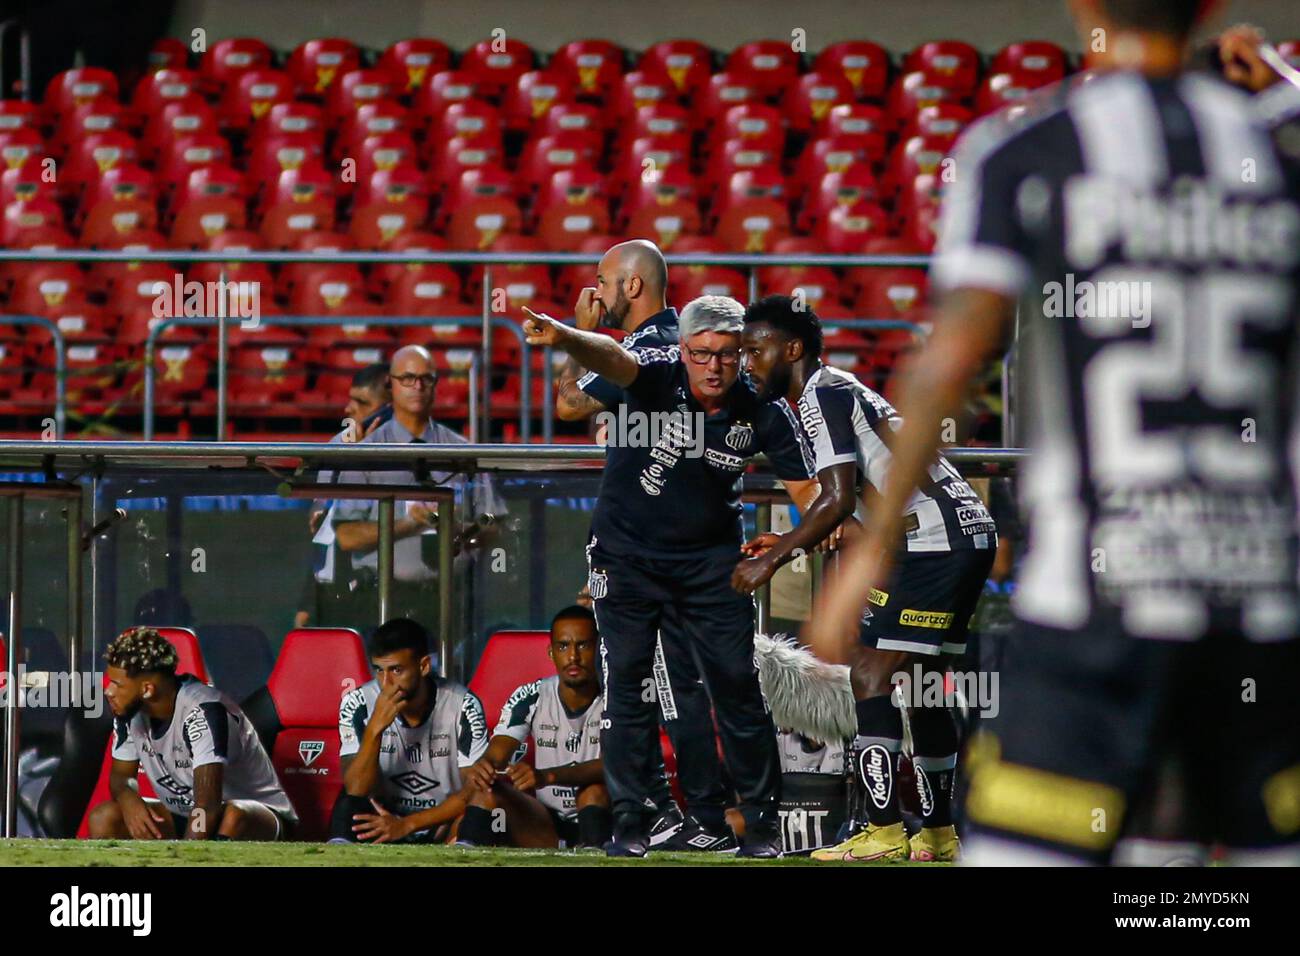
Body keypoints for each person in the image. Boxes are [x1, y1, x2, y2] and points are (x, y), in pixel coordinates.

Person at [804, 0, 1300, 866]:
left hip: (1094, 597)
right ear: (1215, 9)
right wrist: (1289, 89)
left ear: (1083, 7)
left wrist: (874, 550)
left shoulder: (1024, 148)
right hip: (1255, 594)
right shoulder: (1272, 148)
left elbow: (948, 357)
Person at [523, 294, 821, 858]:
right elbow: (612, 359)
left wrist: (781, 548)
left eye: (728, 355)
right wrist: (565, 337)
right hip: (626, 558)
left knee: (737, 688)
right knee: (628, 690)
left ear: (743, 355)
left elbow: (811, 495)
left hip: (711, 565)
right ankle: (630, 824)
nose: (715, 367)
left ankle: (760, 827)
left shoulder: (762, 404)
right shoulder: (654, 370)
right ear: (683, 350)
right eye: (703, 354)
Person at [733, 295, 996, 862]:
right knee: (922, 686)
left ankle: (881, 829)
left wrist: (770, 561)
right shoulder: (832, 391)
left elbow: (835, 499)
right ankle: (939, 834)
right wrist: (787, 540)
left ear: (793, 349)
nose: (745, 363)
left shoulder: (821, 394)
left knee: (870, 673)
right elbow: (859, 504)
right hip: (948, 534)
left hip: (934, 541)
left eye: (755, 350)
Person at [553, 238, 733, 851]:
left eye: (602, 282)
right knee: (686, 687)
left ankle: (646, 813)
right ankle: (705, 819)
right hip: (690, 544)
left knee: (626, 684)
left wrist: (575, 337)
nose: (596, 293)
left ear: (631, 287)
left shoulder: (637, 348)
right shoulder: (689, 348)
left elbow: (569, 402)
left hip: (637, 547)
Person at [333, 346, 504, 635]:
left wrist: (461, 530)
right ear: (391, 383)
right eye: (408, 378)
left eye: (426, 379)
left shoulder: (463, 451)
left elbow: (495, 525)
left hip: (451, 600)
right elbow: (346, 537)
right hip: (380, 602)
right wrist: (407, 525)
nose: (418, 386)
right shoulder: (366, 454)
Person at [87, 627, 297, 841]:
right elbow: (121, 777)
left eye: (117, 684)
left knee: (234, 815)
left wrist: (188, 854)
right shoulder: (129, 713)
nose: (108, 691)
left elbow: (207, 804)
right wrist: (129, 800)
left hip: (258, 816)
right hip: (190, 815)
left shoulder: (203, 711)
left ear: (147, 689)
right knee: (104, 817)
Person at [332, 618, 515, 844]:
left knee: (487, 799)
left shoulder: (463, 704)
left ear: (424, 666)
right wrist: (375, 730)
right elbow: (356, 788)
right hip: (383, 819)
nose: (386, 683)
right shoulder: (358, 702)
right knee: (348, 801)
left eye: (397, 670)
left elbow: (474, 789)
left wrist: (407, 825)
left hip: (441, 821)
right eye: (379, 671)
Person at [461, 605, 611, 848]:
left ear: (599, 650)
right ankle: (463, 856)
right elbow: (497, 753)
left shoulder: (618, 697)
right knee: (486, 791)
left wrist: (547, 776)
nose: (573, 657)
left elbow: (616, 765)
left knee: (593, 791)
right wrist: (486, 767)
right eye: (563, 646)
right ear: (551, 653)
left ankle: (593, 854)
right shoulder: (531, 695)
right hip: (546, 822)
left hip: (606, 816)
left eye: (583, 645)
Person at [296, 363, 392, 629]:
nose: (349, 409)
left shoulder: (410, 451)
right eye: (350, 399)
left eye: (361, 402)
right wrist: (307, 603)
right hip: (332, 584)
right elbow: (321, 518)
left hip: (383, 588)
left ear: (389, 410)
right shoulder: (340, 444)